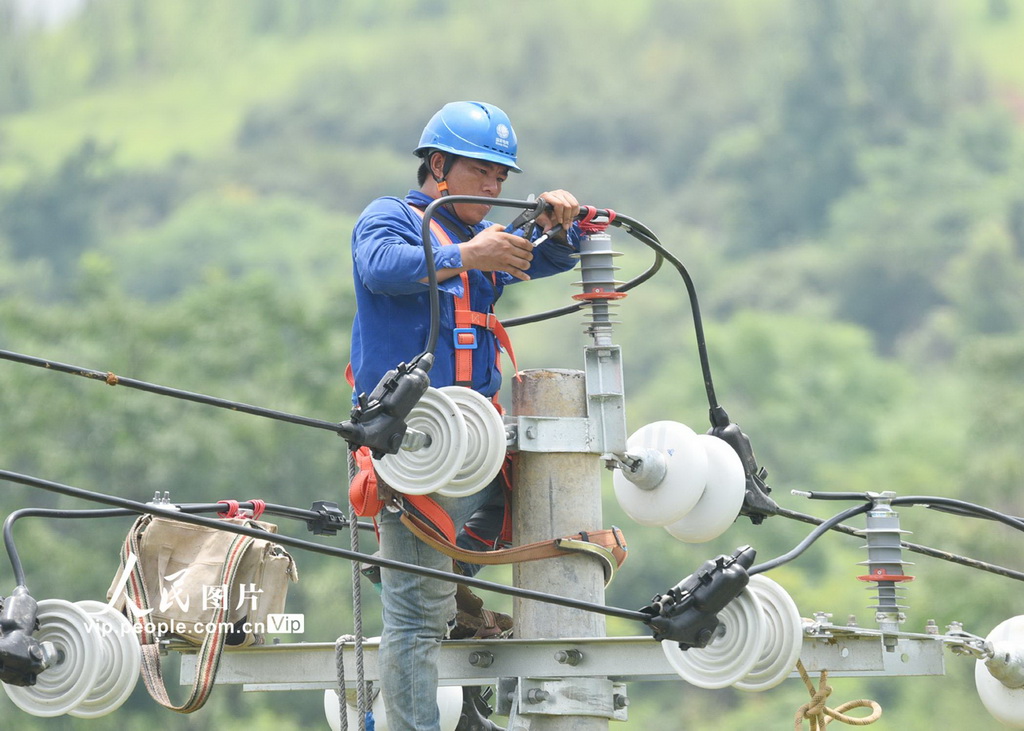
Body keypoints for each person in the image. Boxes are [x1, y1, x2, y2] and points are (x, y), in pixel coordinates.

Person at [347, 101, 581, 730]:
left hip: (473, 438)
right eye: (482, 171)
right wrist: (469, 256)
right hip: (412, 441)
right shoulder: (393, 217)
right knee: (416, 619)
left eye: (501, 176)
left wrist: (560, 226)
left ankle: (440, 571)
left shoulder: (485, 245)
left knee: (526, 492)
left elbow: (549, 257)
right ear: (438, 166)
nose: (494, 186)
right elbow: (380, 267)